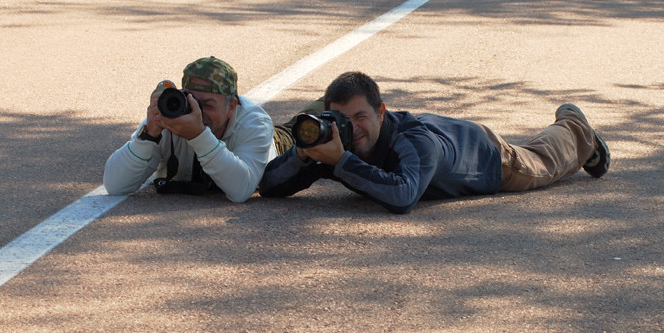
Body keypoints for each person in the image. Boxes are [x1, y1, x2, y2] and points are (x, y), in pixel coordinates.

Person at [259, 71, 610, 214]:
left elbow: (403, 196)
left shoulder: (413, 142)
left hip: (487, 157)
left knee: (543, 162)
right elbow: (270, 185)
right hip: (450, 136)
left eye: (360, 117)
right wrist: (303, 156)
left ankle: (574, 126)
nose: (352, 128)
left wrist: (340, 163)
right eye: (341, 118)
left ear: (381, 111)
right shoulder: (338, 141)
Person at [104, 56, 277, 202]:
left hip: (276, 143)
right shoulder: (172, 113)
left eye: (208, 105)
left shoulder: (255, 123)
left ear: (232, 106)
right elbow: (115, 186)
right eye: (192, 101)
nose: (198, 112)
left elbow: (241, 190)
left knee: (301, 131)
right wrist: (149, 135)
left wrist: (198, 135)